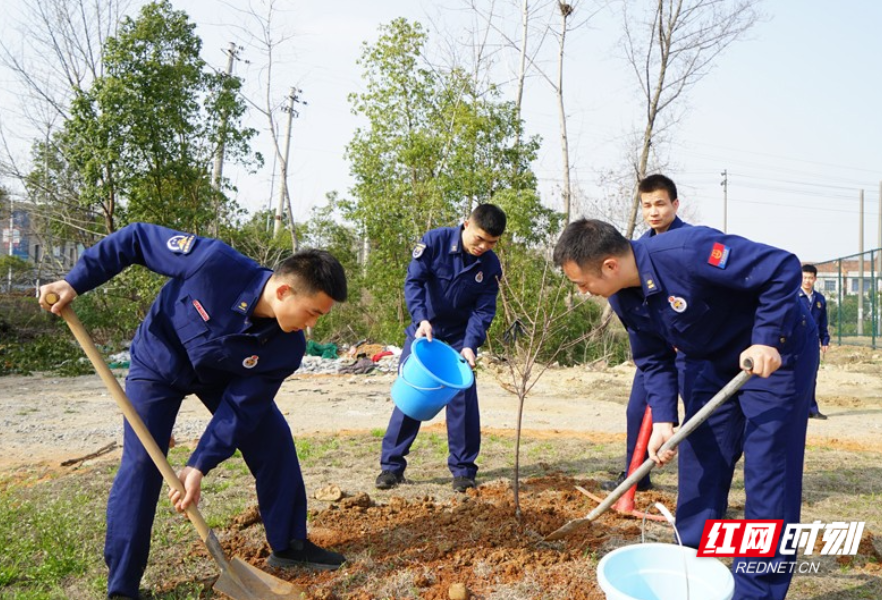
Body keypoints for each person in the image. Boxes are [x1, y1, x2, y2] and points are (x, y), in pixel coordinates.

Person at [38, 223, 349, 600]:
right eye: (312, 312)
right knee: (142, 464)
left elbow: (240, 410)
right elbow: (136, 238)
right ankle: (123, 587)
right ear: (283, 290)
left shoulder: (286, 348)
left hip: (221, 377)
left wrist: (198, 464)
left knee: (273, 440)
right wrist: (76, 281)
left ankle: (289, 545)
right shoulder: (213, 263)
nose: (312, 326)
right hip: (159, 364)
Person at [553, 219, 818, 600]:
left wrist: (764, 339)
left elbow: (781, 268)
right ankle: (693, 573)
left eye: (582, 283)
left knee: (768, 473)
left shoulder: (688, 251)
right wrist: (663, 418)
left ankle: (755, 591)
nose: (582, 292)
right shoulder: (621, 296)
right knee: (701, 462)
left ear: (610, 265)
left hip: (776, 355)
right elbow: (654, 359)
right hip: (709, 360)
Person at [376, 204, 506, 493]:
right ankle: (391, 467)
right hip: (426, 332)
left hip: (460, 338)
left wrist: (471, 345)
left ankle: (463, 470)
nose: (483, 247)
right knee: (414, 393)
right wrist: (421, 318)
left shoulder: (490, 265)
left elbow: (484, 310)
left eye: (491, 243)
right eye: (479, 239)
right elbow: (414, 283)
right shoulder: (434, 242)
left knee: (462, 397)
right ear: (465, 225)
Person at [602, 173, 697, 493]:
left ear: (675, 204)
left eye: (660, 203)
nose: (653, 211)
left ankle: (701, 486)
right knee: (636, 410)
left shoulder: (690, 243)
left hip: (691, 349)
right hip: (656, 348)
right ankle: (636, 476)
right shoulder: (637, 249)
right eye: (647, 205)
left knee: (697, 415)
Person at [799, 263, 830, 419]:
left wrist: (825, 340)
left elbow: (823, 322)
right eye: (805, 277)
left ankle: (812, 409)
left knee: (812, 376)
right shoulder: (793, 298)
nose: (807, 281)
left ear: (815, 279)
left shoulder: (820, 300)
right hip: (796, 344)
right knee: (795, 376)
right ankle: (797, 409)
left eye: (810, 278)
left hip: (812, 344)